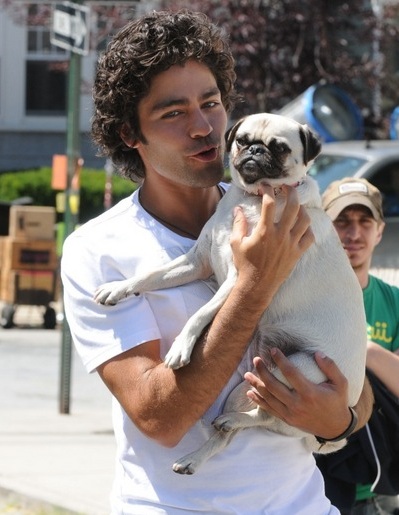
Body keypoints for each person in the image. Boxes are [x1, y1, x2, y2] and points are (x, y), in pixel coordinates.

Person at [61, 10, 372, 514]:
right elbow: (160, 418)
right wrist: (254, 284)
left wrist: (338, 420)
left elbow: (351, 371)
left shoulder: (293, 215)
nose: (204, 127)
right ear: (129, 134)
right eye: (173, 113)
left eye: (211, 103)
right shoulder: (99, 250)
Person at [318, 177, 399, 515]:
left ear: (380, 231)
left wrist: (361, 348)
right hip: (317, 486)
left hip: (383, 486)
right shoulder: (304, 296)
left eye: (365, 222)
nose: (354, 234)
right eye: (342, 221)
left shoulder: (393, 300)